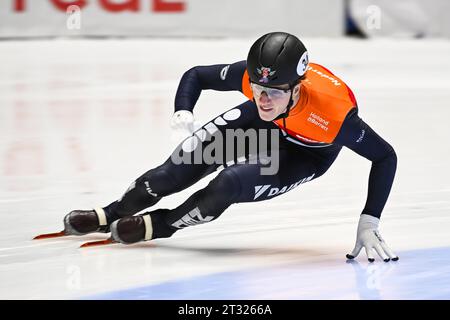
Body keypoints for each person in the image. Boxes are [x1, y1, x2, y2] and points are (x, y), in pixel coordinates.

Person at [62, 32, 398, 262]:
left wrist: (370, 220)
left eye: (275, 91)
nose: (264, 98)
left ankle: (160, 225)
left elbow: (385, 157)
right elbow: (197, 75)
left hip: (305, 152)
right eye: (257, 88)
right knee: (174, 171)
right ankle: (112, 213)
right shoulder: (261, 84)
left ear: (297, 88)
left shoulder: (335, 116)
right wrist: (183, 109)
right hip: (263, 125)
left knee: (229, 183)